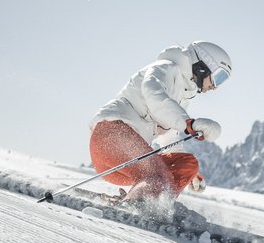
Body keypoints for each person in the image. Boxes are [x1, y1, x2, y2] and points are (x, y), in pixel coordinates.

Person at [88, 41, 231, 203]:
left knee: (187, 164)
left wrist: (188, 175)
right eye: (219, 77)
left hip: (128, 162)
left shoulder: (182, 96)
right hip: (112, 137)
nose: (215, 87)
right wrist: (189, 124)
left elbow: (169, 137)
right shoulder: (165, 67)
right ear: (204, 65)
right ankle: (140, 204)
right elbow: (154, 95)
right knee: (157, 176)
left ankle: (157, 203)